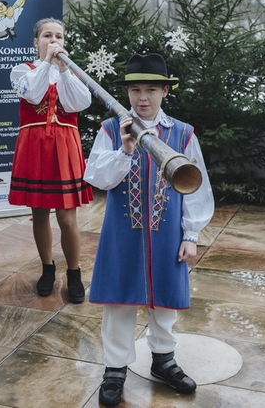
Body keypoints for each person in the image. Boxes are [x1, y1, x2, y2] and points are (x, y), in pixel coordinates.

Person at [84, 51, 214, 407]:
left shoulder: (182, 134)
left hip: (166, 232)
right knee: (118, 302)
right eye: (136, 90)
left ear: (165, 92)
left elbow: (197, 187)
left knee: (165, 301)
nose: (143, 98)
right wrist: (125, 150)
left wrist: (191, 234)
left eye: (151, 90)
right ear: (127, 92)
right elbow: (96, 176)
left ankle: (163, 359)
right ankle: (115, 369)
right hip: (122, 232)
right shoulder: (112, 130)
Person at [8, 18, 93, 304]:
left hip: (65, 145)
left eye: (59, 36)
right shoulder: (22, 70)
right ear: (36, 42)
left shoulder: (72, 72)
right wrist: (46, 63)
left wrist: (64, 70)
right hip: (35, 146)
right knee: (40, 212)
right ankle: (47, 268)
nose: (54, 40)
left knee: (67, 216)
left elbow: (79, 103)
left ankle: (74, 272)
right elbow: (32, 94)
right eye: (47, 35)